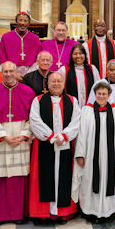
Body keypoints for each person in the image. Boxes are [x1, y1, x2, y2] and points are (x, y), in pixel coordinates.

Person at [0, 62, 35, 223]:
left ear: (16, 72)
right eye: (5, 71)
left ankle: (19, 214)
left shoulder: (28, 92)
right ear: (1, 73)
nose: (8, 74)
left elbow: (33, 119)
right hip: (1, 140)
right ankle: (0, 215)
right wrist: (4, 136)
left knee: (19, 178)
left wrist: (23, 135)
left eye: (11, 71)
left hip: (21, 138)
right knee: (1, 178)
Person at [28, 73, 82, 221]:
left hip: (65, 144)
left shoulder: (72, 100)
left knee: (65, 176)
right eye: (53, 81)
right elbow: (34, 120)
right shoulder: (38, 100)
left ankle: (63, 212)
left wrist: (64, 136)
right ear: (47, 84)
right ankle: (43, 213)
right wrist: (50, 136)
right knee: (44, 177)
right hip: (44, 145)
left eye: (59, 81)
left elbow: (77, 121)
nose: (56, 83)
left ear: (63, 84)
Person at [74, 82, 115, 222]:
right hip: (91, 154)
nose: (102, 96)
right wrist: (80, 154)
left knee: (108, 180)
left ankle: (108, 212)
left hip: (111, 155)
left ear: (109, 95)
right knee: (90, 181)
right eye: (99, 94)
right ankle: (90, 211)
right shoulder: (87, 110)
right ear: (95, 94)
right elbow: (81, 133)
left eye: (104, 94)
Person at [0, 12, 41, 77]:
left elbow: (38, 59)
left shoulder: (35, 39)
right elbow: (2, 58)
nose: (22, 23)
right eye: (20, 20)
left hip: (30, 74)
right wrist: (12, 73)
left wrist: (28, 75)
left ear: (29, 23)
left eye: (25, 21)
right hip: (10, 73)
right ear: (16, 22)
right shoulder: (6, 37)